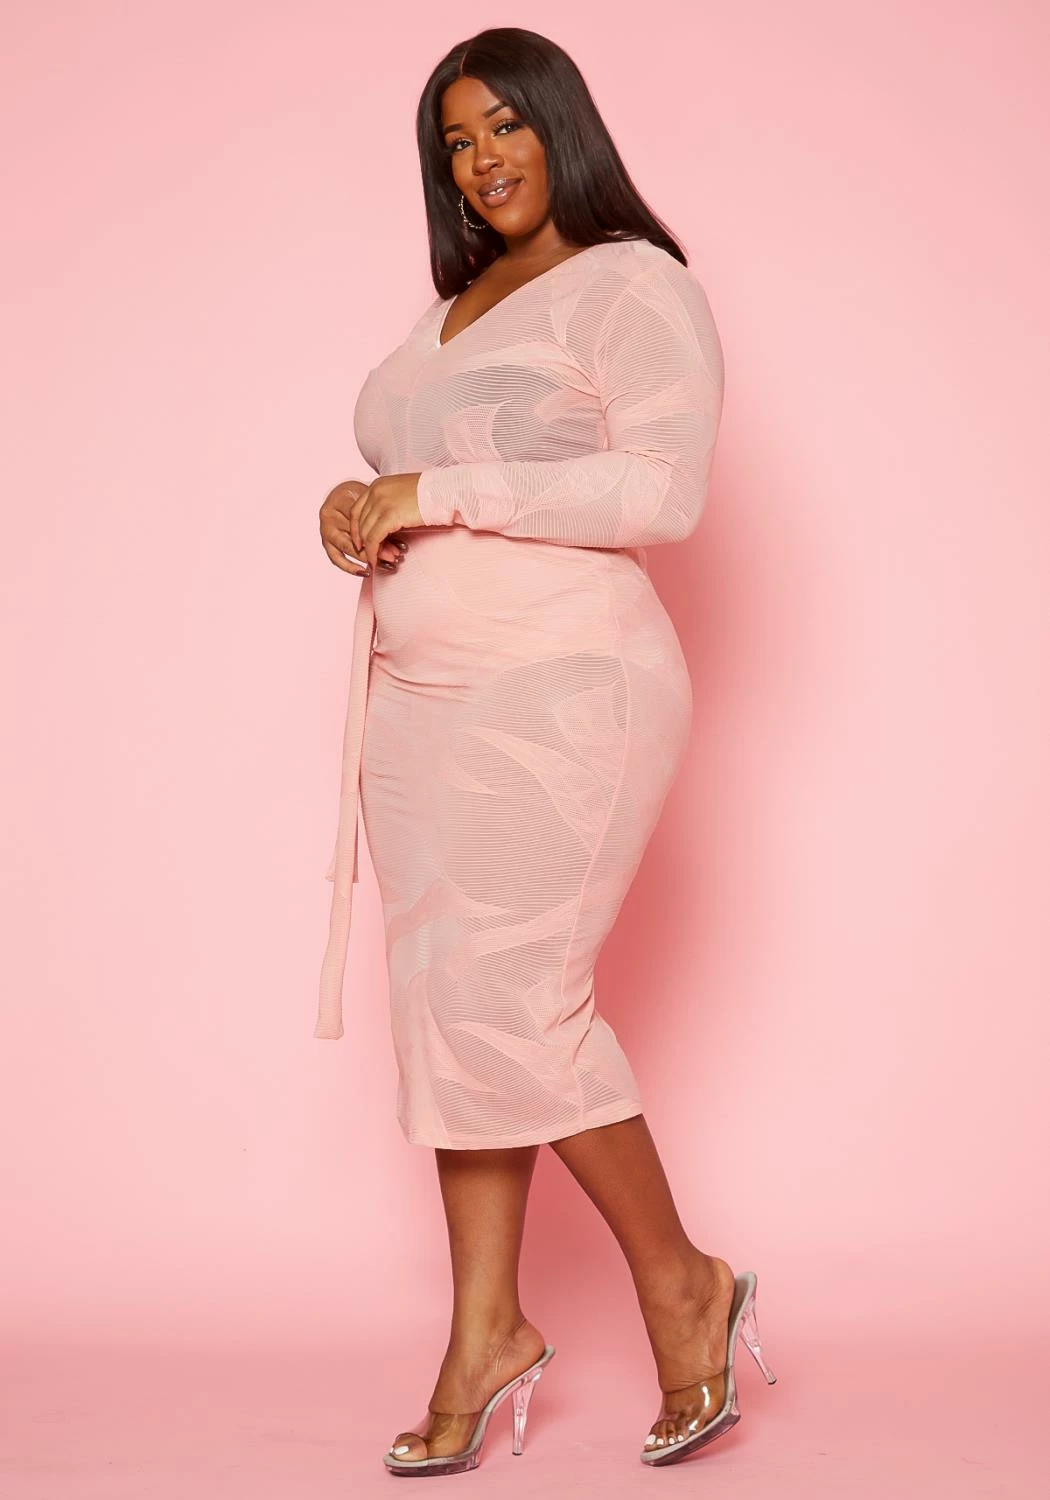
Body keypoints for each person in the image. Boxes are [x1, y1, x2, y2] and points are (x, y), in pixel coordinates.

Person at [316, 26, 775, 1476]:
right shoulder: (451, 307)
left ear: (561, 127)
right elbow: (428, 475)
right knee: (452, 1013)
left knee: (515, 1000)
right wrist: (358, 507)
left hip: (563, 690)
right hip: (418, 700)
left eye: (505, 125)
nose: (481, 160)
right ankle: (486, 1330)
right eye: (456, 141)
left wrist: (436, 488)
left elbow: (662, 490)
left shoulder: (634, 283)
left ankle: (681, 1281)